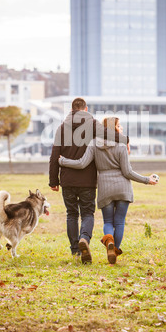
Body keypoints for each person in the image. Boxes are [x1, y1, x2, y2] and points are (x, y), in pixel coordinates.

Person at [59, 116, 158, 264]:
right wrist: (146, 180)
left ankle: (109, 242)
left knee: (108, 221)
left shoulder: (93, 144)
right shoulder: (122, 146)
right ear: (114, 129)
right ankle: (114, 249)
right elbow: (127, 172)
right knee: (119, 222)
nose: (122, 128)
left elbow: (81, 163)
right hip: (123, 187)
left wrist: (62, 161)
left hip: (105, 187)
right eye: (120, 126)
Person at [49, 98, 129, 264]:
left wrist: (53, 180)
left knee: (71, 214)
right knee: (87, 213)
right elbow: (109, 135)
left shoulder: (62, 128)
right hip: (87, 180)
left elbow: (54, 155)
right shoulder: (92, 124)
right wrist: (125, 139)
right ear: (85, 109)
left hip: (67, 180)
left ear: (71, 110)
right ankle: (84, 238)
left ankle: (75, 251)